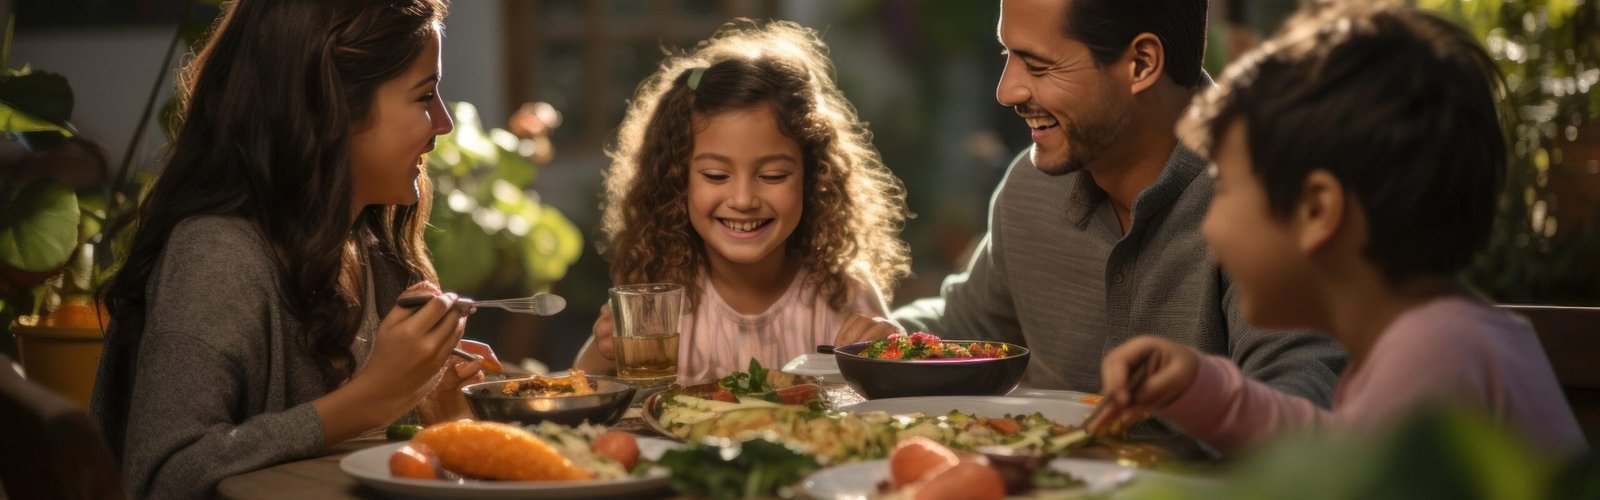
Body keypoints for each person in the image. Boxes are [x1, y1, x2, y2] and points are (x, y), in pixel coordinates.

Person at [1092, 2, 1586, 456]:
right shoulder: (1436, 338)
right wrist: (1201, 388)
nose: (1211, 228)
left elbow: (1330, 475)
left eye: (1223, 188)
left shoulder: (1432, 356)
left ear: (1317, 210)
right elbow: (1327, 447)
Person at [91, 0, 497, 496]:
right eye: (424, 95)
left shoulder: (371, 248)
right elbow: (162, 478)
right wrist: (368, 399)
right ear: (330, 107)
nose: (444, 122)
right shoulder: (217, 258)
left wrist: (431, 406)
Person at [894, 0, 1347, 403]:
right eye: (1006, 55)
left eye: (1037, 65)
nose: (1006, 90)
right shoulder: (1031, 187)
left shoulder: (1266, 195)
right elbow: (965, 327)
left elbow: (1296, 409)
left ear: (1141, 64)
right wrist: (881, 331)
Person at [572, 21, 910, 384]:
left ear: (812, 179)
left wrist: (892, 347)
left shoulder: (844, 292)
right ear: (675, 181)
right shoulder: (657, 302)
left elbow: (902, 390)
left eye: (773, 176)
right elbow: (583, 384)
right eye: (716, 176)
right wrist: (605, 351)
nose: (744, 200)